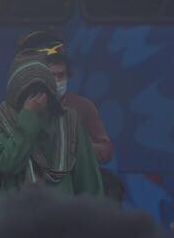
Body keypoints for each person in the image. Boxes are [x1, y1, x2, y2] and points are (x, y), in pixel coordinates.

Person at [0, 53, 104, 204]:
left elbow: (88, 180)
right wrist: (29, 118)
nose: (37, 96)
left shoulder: (70, 121)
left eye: (42, 88)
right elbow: (9, 164)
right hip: (14, 219)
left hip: (62, 219)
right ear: (15, 88)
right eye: (29, 90)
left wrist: (96, 220)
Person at [15, 30, 115, 165]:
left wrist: (79, 147)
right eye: (50, 75)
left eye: (61, 75)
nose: (56, 81)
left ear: (68, 76)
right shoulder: (20, 106)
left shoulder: (83, 107)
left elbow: (106, 151)